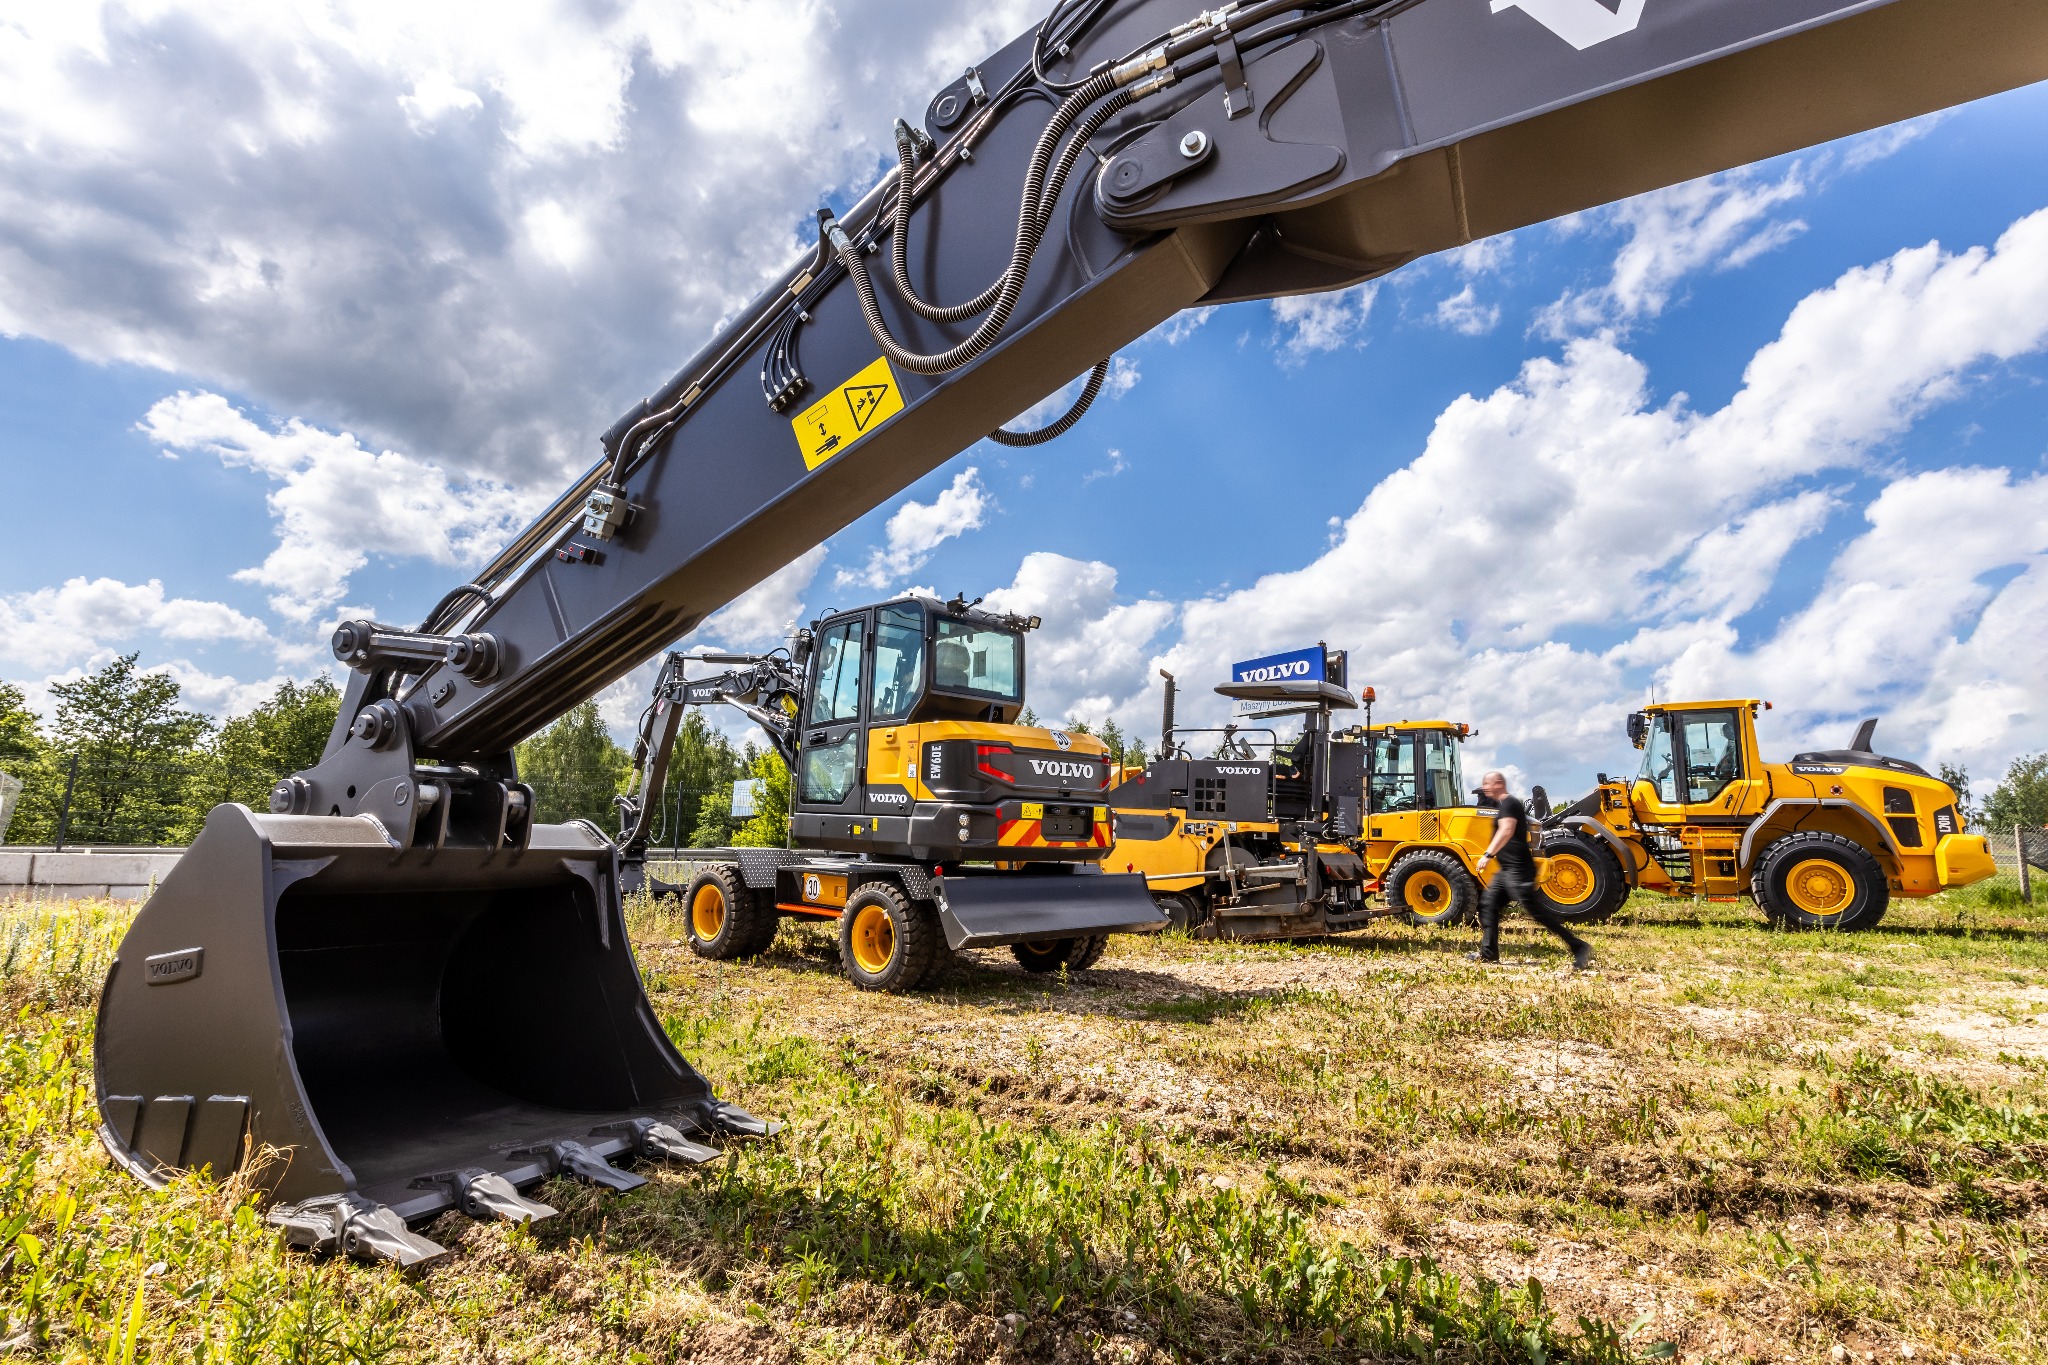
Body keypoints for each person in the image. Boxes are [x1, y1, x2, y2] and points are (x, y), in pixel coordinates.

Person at [1471, 770, 1594, 970]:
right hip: (1506, 871)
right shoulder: (1505, 805)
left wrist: (1488, 855)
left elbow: (1507, 830)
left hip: (1518, 870)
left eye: (1487, 783)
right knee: (1488, 905)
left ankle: (1578, 946)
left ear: (1498, 784)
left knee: (1537, 913)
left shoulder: (1510, 804)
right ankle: (1488, 953)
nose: (1484, 787)